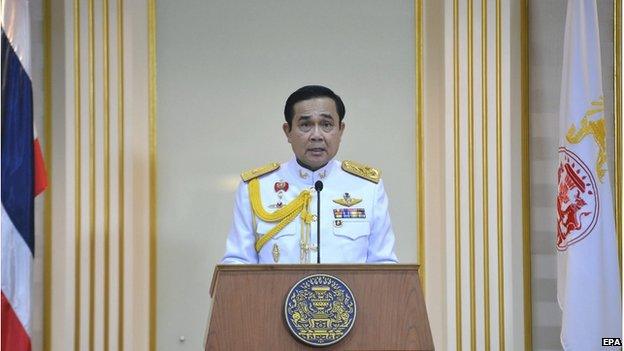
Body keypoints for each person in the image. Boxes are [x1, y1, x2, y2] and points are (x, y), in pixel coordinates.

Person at [221, 85, 398, 264]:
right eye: (305, 125)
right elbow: (237, 264)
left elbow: (384, 265)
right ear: (287, 131)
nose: (316, 135)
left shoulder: (367, 187)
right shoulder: (257, 187)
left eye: (326, 125)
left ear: (341, 130)